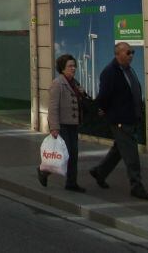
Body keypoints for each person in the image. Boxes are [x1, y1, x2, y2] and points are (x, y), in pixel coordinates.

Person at [90, 42, 148, 200]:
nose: (131, 55)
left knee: (119, 149)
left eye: (132, 52)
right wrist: (103, 110)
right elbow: (104, 96)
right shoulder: (110, 72)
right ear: (117, 54)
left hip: (132, 117)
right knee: (131, 154)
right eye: (128, 53)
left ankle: (100, 172)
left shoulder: (129, 70)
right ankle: (136, 186)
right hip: (120, 120)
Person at [37, 54, 87, 192]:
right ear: (62, 68)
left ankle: (71, 183)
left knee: (73, 154)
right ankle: (44, 171)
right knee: (65, 154)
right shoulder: (58, 83)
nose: (73, 68)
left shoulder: (75, 83)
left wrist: (82, 93)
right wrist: (54, 127)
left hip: (73, 124)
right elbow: (53, 107)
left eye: (74, 65)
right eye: (70, 66)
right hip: (63, 125)